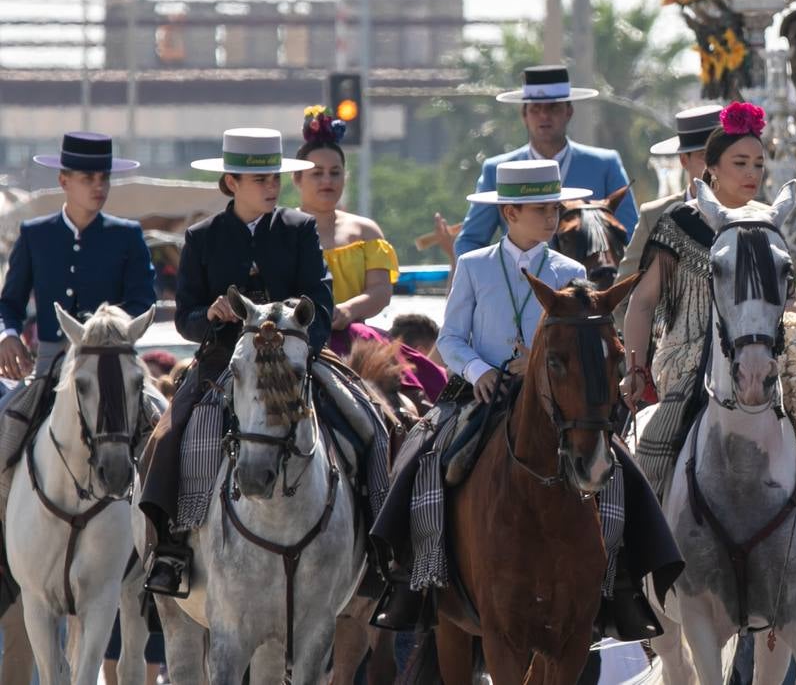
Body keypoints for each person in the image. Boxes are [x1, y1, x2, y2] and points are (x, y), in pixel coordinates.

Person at [371, 159, 681, 639]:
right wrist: (479, 372)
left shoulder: (569, 269)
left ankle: (620, 581)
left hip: (556, 398)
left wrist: (539, 364)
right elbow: (452, 339)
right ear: (510, 213)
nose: (553, 217)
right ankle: (411, 573)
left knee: (617, 464)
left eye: (555, 207)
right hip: (483, 392)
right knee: (424, 451)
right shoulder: (474, 266)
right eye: (541, 208)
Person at [138, 127, 336, 596]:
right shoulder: (201, 237)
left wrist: (303, 351)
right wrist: (207, 315)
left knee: (367, 420)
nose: (272, 186)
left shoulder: (299, 229)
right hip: (222, 365)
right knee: (169, 436)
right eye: (259, 178)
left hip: (295, 364)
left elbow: (322, 306)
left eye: (274, 177)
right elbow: (184, 317)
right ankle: (170, 546)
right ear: (231, 182)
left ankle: (383, 553)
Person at [622, 102, 774, 499]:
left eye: (758, 164)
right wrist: (634, 370)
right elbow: (640, 303)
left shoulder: (766, 223)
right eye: (740, 163)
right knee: (649, 457)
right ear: (712, 167)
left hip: (759, 353)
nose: (751, 174)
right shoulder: (679, 221)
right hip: (690, 358)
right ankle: (637, 538)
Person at [0, 132, 155, 509]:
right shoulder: (36, 235)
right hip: (52, 363)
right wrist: (8, 334)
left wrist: (110, 331)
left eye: (103, 178)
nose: (98, 186)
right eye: (88, 178)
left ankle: (164, 539)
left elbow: (142, 301)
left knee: (163, 430)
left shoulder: (127, 235)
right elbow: (9, 303)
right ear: (63, 180)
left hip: (114, 365)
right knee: (6, 428)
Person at [293, 106, 447, 403]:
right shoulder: (282, 228)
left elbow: (379, 291)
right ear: (297, 180)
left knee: (417, 400)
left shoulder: (365, 230)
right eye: (317, 173)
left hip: (356, 340)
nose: (327, 180)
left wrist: (347, 311)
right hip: (297, 339)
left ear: (345, 177)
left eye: (335, 172)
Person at [454, 65, 638, 256]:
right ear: (524, 115)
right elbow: (470, 240)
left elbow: (631, 235)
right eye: (535, 109)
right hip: (520, 281)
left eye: (553, 108)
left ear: (569, 112)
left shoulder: (605, 165)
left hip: (590, 282)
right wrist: (492, 278)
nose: (544, 116)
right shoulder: (497, 170)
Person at [614, 104, 721, 288]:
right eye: (704, 156)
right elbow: (622, 292)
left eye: (721, 155)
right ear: (684, 160)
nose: (714, 166)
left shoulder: (753, 215)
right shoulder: (654, 215)